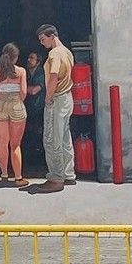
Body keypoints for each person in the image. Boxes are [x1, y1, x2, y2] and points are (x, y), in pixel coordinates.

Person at [33, 24, 75, 192]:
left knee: (51, 139)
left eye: (43, 39)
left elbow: (53, 77)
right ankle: (69, 174)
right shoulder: (67, 52)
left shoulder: (54, 54)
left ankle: (56, 178)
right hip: (67, 98)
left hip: (56, 99)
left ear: (51, 36)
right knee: (65, 138)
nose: (42, 43)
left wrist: (47, 98)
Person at [0, 42, 29, 187]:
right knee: (15, 145)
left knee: (2, 142)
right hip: (16, 104)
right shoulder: (21, 71)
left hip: (1, 104)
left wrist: (1, 96)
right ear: (15, 57)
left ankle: (4, 175)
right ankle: (18, 177)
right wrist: (17, 101)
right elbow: (23, 92)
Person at [24, 50, 46, 168]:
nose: (29, 60)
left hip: (39, 109)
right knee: (29, 135)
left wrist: (21, 87)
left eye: (32, 58)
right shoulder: (26, 73)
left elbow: (34, 90)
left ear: (38, 62)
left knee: (38, 135)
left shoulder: (41, 73)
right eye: (28, 57)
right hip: (28, 109)